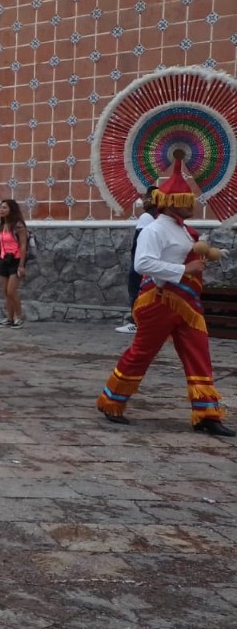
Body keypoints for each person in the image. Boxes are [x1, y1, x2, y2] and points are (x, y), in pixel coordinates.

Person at [97, 160, 231, 436]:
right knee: (141, 354)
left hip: (186, 305)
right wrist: (184, 269)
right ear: (171, 202)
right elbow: (142, 264)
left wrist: (207, 254)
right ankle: (112, 400)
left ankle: (207, 413)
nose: (191, 205)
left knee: (199, 354)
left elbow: (189, 250)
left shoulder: (181, 228)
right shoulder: (154, 229)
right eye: (185, 201)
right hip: (159, 302)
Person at [116, 188, 159, 335]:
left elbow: (139, 241)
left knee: (135, 290)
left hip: (140, 261)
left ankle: (136, 322)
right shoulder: (158, 217)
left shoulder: (146, 217)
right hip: (151, 260)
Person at [0, 199, 29, 328]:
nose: (1, 210)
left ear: (11, 210)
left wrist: (21, 265)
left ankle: (19, 317)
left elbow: (23, 245)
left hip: (15, 260)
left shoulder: (19, 226)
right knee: (5, 291)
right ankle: (9, 318)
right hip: (4, 260)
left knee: (11, 291)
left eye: (4, 207)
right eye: (1, 207)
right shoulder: (2, 226)